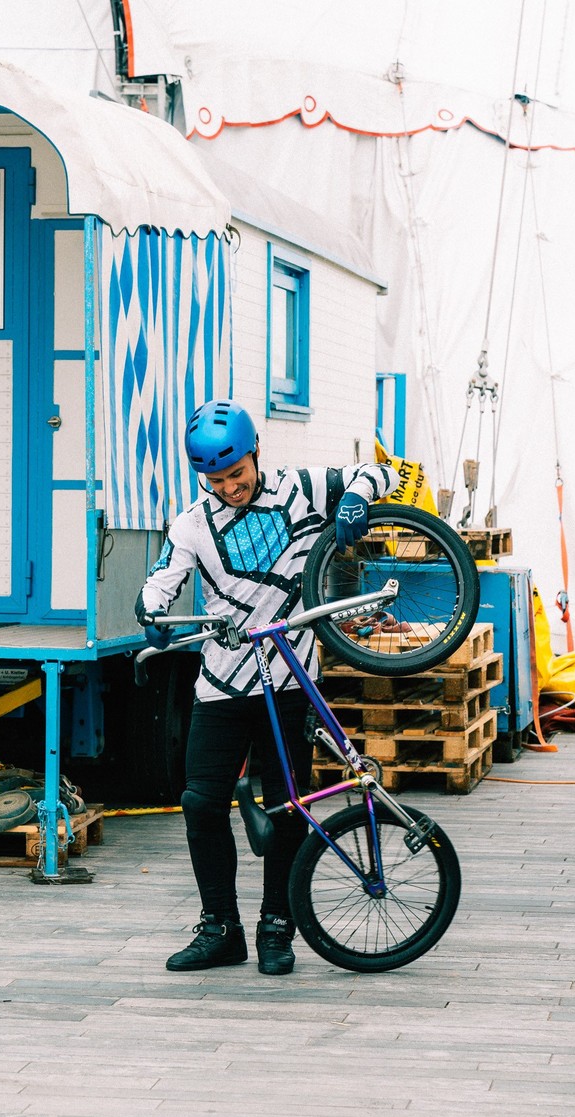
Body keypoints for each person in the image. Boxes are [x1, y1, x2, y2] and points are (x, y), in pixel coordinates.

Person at [135, 399, 400, 975]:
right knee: (200, 803)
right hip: (222, 683)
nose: (230, 487)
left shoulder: (299, 488)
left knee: (287, 807)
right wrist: (150, 611)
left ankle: (277, 927)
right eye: (217, 479)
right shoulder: (192, 523)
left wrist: (355, 497)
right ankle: (220, 929)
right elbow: (161, 580)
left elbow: (387, 472)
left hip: (289, 680)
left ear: (257, 454)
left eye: (238, 473)